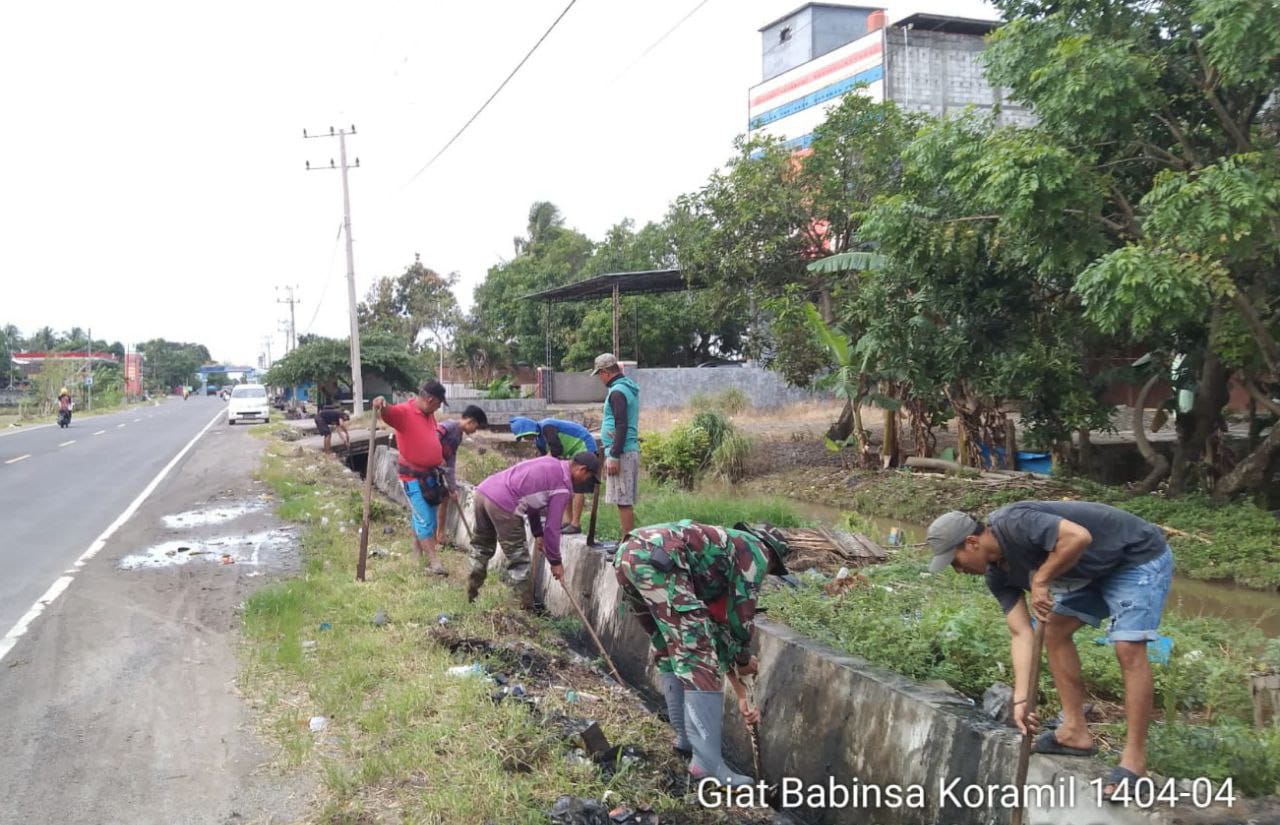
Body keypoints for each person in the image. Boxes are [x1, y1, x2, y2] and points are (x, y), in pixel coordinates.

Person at [926, 502, 1175, 800]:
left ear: (971, 542)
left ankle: (1134, 762)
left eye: (954, 561)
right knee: (1054, 632)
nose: (958, 570)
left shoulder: (1015, 523)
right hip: (1088, 572)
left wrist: (1042, 579)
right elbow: (1021, 633)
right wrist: (1021, 699)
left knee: (1127, 647)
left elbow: (1078, 537)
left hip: (1134, 557)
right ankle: (1074, 731)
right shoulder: (997, 576)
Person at [614, 520, 790, 788]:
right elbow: (740, 620)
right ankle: (707, 765)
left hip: (629, 554)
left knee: (668, 646)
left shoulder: (723, 554)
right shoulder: (756, 552)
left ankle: (686, 739)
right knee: (697, 656)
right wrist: (744, 660)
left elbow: (717, 631)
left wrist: (741, 693)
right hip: (658, 560)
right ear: (773, 557)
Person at [467, 452, 600, 609]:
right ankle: (523, 609)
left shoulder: (550, 463)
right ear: (581, 470)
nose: (586, 482)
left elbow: (532, 503)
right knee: (519, 563)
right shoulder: (562, 486)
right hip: (504, 503)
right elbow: (552, 527)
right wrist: (556, 562)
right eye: (588, 477)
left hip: (484, 491)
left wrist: (537, 533)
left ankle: (469, 596)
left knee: (481, 547)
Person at [372, 381, 449, 576]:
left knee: (424, 516)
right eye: (438, 404)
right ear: (430, 399)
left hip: (430, 475)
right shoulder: (404, 412)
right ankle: (434, 562)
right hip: (412, 477)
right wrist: (381, 403)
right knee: (425, 520)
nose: (439, 408)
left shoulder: (428, 414)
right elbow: (388, 412)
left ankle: (416, 554)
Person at [509, 416, 598, 534]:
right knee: (565, 483)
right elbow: (548, 460)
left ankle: (575, 524)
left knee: (578, 486)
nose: (526, 439)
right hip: (570, 453)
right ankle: (567, 521)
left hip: (583, 446)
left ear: (529, 429)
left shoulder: (547, 426)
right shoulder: (539, 441)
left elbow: (557, 449)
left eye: (525, 435)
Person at [591, 353, 640, 537]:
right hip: (623, 450)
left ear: (605, 372)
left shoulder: (618, 392)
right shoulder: (624, 387)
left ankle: (627, 542)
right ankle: (626, 539)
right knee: (622, 499)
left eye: (599, 374)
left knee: (623, 499)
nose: (600, 378)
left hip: (622, 452)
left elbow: (621, 425)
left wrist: (614, 455)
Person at [435, 404, 489, 547]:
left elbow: (451, 461)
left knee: (445, 498)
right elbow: (433, 435)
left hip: (440, 471)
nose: (475, 431)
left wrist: (452, 487)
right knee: (431, 502)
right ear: (471, 421)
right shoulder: (450, 425)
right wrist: (437, 454)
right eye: (476, 427)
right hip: (429, 468)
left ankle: (440, 534)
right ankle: (431, 535)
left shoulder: (458, 436)